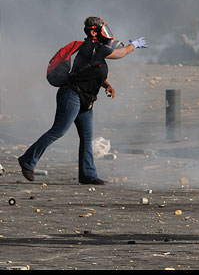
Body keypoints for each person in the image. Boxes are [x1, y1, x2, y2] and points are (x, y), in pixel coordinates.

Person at [18, 17, 146, 185]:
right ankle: (27, 160)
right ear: (93, 32)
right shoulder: (91, 47)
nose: (107, 35)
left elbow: (88, 73)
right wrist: (133, 45)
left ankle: (88, 175)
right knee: (58, 131)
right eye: (103, 31)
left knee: (87, 136)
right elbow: (121, 53)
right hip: (72, 95)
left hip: (85, 98)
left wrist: (106, 85)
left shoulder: (93, 50)